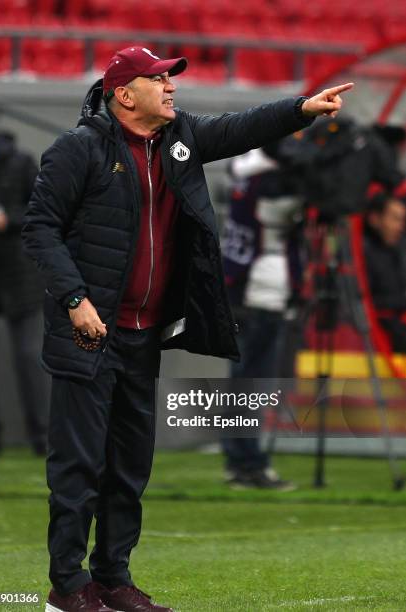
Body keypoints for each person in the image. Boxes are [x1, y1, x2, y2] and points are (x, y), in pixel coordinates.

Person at [22, 46, 353, 612]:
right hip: (90, 332)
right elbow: (40, 229)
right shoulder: (78, 150)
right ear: (125, 95)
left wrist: (301, 109)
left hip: (144, 334)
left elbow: (241, 128)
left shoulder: (180, 141)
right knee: (80, 464)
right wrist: (76, 299)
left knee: (129, 466)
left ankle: (114, 579)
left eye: (170, 78)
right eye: (158, 79)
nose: (171, 87)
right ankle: (67, 587)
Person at [221, 146, 300, 490]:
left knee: (247, 383)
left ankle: (241, 460)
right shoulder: (266, 181)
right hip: (258, 292)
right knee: (252, 384)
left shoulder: (245, 171)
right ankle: (247, 462)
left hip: (250, 289)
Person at [0, 98, 48, 456]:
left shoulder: (19, 163)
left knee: (30, 359)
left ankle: (43, 439)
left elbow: (43, 210)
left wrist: (8, 219)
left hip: (19, 275)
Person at [364, 193, 406, 352]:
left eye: (402, 220)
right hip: (379, 331)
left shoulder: (400, 250)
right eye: (395, 219)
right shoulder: (361, 255)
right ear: (375, 219)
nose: (400, 226)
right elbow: (366, 301)